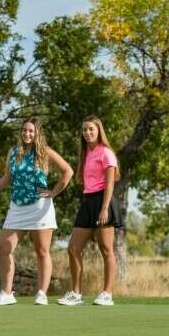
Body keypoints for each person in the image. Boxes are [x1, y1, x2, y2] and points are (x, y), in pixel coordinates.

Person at [0, 117, 73, 306]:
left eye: (31, 131)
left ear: (37, 133)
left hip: (40, 206)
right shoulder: (14, 152)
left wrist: (53, 192)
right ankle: (7, 294)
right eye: (24, 130)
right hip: (17, 207)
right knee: (3, 248)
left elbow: (68, 171)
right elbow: (7, 177)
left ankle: (41, 293)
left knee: (41, 251)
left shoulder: (45, 152)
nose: (27, 134)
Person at [57, 115, 121, 307]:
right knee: (73, 248)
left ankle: (107, 294)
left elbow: (109, 185)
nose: (87, 133)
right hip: (87, 201)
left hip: (104, 201)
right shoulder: (86, 153)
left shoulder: (106, 153)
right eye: (84, 130)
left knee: (106, 249)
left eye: (91, 129)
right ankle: (76, 294)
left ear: (98, 130)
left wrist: (104, 209)